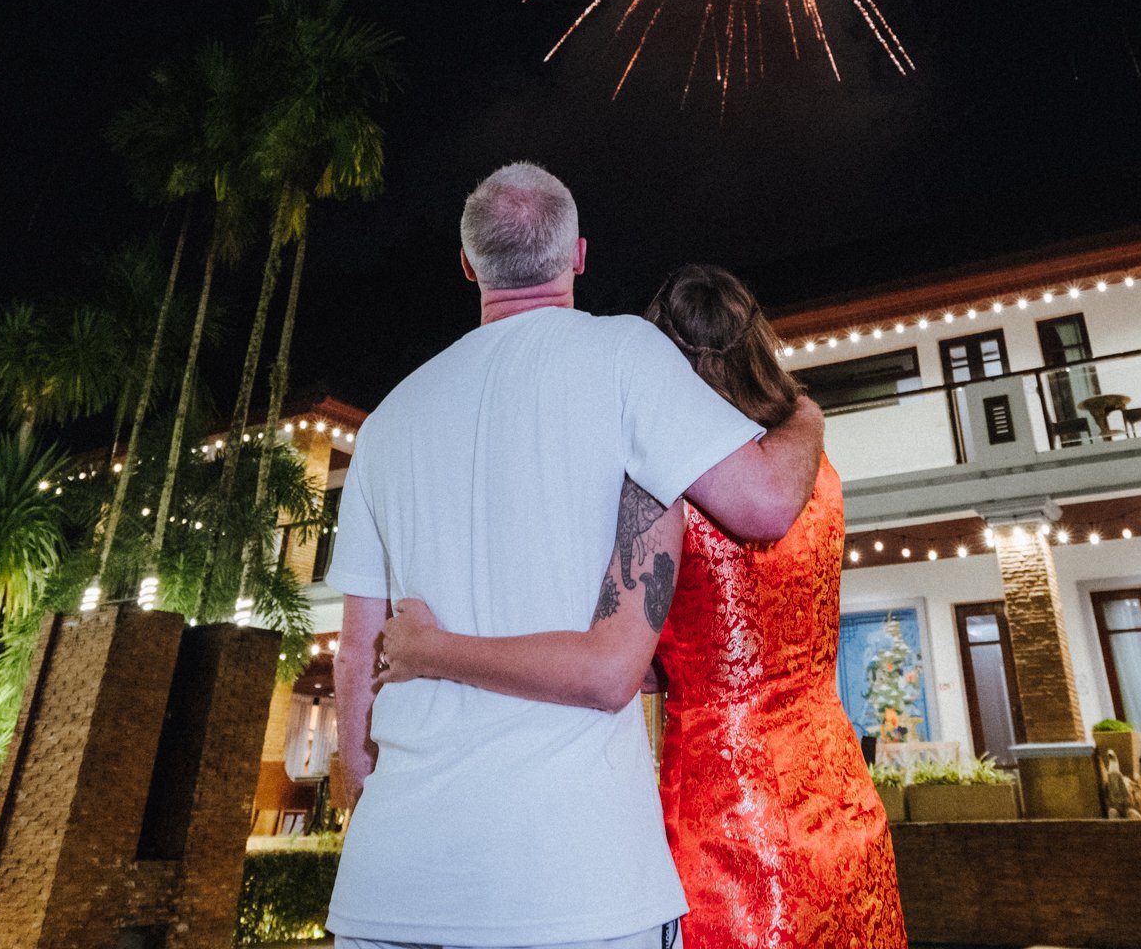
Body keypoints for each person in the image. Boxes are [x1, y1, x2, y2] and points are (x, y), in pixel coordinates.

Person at [325, 164, 825, 949]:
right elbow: (764, 504)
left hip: (392, 882)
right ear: (578, 255)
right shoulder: (624, 354)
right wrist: (805, 416)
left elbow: (357, 654)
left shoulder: (387, 421)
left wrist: (368, 803)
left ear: (469, 266)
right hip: (575, 884)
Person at [379, 263, 904, 949]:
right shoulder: (815, 471)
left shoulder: (658, 485)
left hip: (730, 828)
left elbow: (612, 667)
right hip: (842, 800)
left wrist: (429, 649)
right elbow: (741, 629)